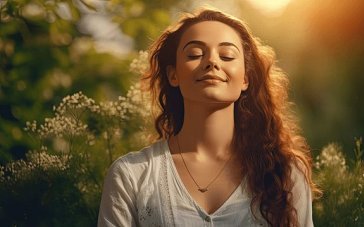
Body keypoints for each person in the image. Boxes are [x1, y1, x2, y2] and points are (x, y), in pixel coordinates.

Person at [98, 7, 320, 227]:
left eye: (227, 55)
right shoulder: (131, 175)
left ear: (245, 79)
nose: (212, 62)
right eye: (195, 54)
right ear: (173, 74)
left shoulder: (285, 175)